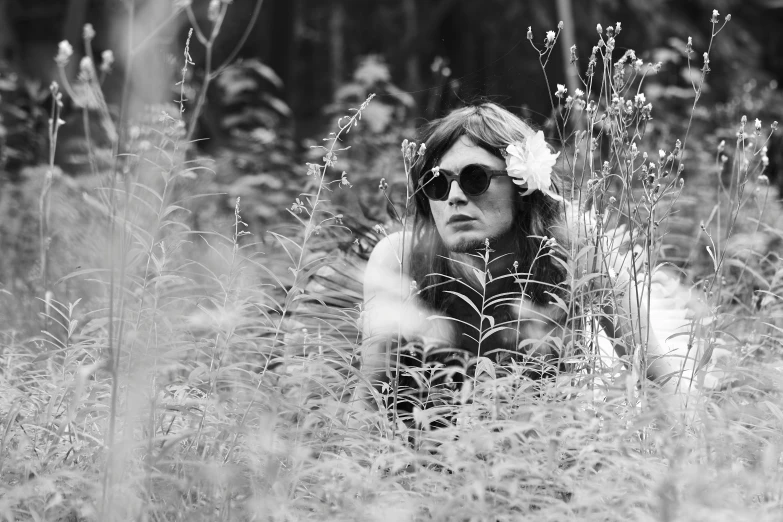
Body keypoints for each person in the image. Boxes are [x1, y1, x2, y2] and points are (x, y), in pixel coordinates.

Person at [361, 102, 683, 416]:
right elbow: (368, 402)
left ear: (522, 184)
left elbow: (657, 377)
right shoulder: (401, 261)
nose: (454, 197)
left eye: (475, 178)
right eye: (437, 183)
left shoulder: (575, 247)